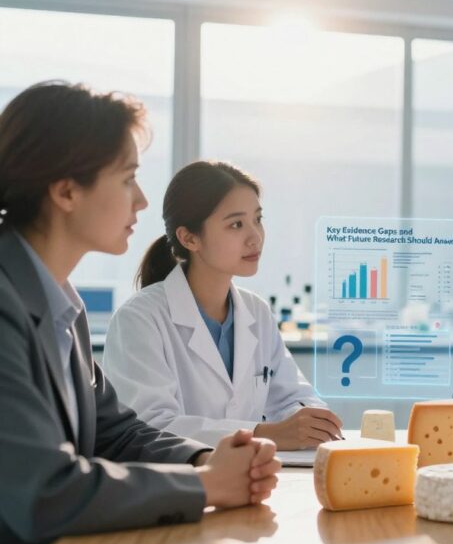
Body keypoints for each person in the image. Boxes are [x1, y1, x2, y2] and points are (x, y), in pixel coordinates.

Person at [0, 81, 280, 544]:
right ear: (66, 190)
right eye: (128, 178)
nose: (143, 200)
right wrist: (210, 486)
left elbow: (117, 432)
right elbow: (46, 491)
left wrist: (205, 459)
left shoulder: (63, 304)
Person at [103, 161, 341, 449]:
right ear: (189, 238)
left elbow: (293, 397)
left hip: (249, 478)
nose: (255, 237)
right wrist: (269, 433)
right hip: (178, 486)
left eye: (258, 219)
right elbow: (151, 427)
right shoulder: (139, 319)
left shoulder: (256, 312)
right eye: (236, 224)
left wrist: (310, 421)